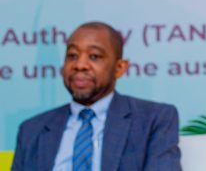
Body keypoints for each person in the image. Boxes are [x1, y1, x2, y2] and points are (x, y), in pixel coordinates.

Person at [11, 22, 182, 171]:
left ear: (119, 68)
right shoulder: (32, 130)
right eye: (72, 56)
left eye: (94, 56)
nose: (80, 65)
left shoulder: (153, 119)